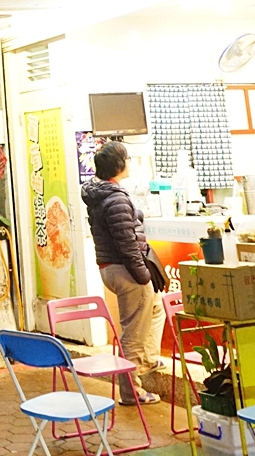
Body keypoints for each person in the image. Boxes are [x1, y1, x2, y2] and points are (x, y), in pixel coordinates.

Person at [81, 141, 165, 405]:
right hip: (125, 269)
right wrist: (143, 274)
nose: (130, 161)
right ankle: (132, 391)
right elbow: (127, 243)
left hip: (113, 268)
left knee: (155, 308)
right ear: (119, 165)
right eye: (127, 158)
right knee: (133, 333)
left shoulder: (104, 193)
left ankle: (146, 361)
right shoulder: (115, 197)